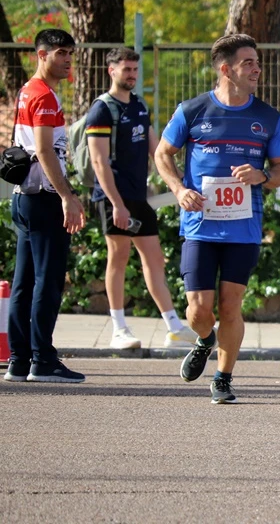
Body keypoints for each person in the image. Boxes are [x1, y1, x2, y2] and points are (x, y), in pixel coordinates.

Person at [154, 34, 280, 404]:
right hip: (200, 225)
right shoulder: (193, 110)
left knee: (231, 305)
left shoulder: (267, 117)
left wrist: (262, 177)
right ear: (225, 69)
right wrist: (179, 190)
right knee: (199, 310)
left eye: (257, 62)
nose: (257, 69)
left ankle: (223, 377)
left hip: (243, 227)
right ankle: (204, 338)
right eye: (248, 63)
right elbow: (163, 154)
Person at [86, 47, 197, 350]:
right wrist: (117, 205)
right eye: (126, 70)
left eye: (135, 70)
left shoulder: (138, 105)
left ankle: (174, 327)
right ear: (111, 71)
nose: (132, 75)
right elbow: (98, 163)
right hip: (113, 198)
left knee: (154, 258)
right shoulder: (102, 109)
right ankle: (119, 329)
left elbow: (155, 150)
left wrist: (179, 186)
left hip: (140, 197)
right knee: (118, 257)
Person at [4, 29, 87, 384]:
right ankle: (43, 360)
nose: (68, 59)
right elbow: (44, 150)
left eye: (70, 52)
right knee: (47, 282)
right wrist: (67, 195)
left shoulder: (27, 90)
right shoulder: (44, 96)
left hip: (24, 198)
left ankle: (19, 361)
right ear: (42, 54)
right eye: (61, 53)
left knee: (24, 283)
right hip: (43, 198)